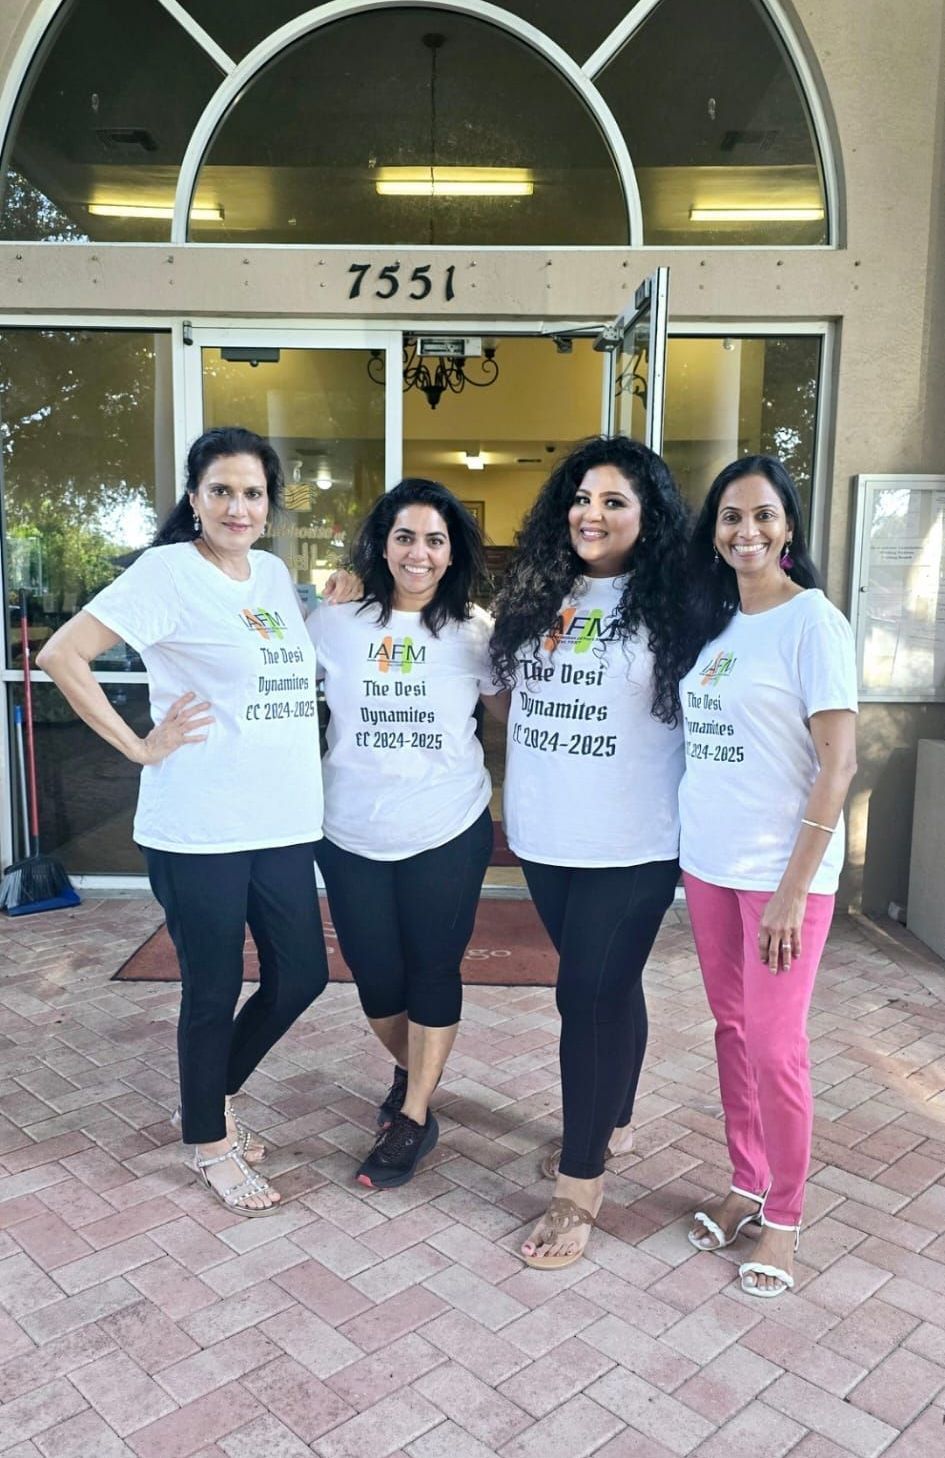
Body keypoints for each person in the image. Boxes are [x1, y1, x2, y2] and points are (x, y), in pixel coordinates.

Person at [37, 425, 330, 1216]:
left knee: (300, 973)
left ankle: (210, 1096)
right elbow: (63, 654)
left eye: (253, 492)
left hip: (280, 820)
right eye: (222, 490)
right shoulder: (166, 573)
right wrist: (139, 744)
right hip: (199, 825)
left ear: (269, 506)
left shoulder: (268, 574)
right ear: (195, 499)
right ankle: (205, 1140)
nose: (238, 506)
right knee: (213, 986)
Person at [490, 435, 690, 1268]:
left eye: (614, 501)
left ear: (648, 517)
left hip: (634, 840)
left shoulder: (683, 601)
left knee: (584, 995)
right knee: (610, 988)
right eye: (581, 497)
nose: (592, 514)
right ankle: (614, 1117)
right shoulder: (540, 595)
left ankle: (579, 1183)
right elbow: (505, 700)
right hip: (546, 835)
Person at [679, 454, 857, 1297]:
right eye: (729, 517)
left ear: (787, 526)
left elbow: (837, 765)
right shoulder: (717, 625)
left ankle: (784, 1216)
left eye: (761, 516)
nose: (744, 530)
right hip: (709, 867)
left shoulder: (812, 622)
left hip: (780, 879)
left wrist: (791, 890)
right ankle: (746, 1179)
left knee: (777, 1049)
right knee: (731, 1031)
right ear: (712, 531)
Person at [307, 478, 498, 1190]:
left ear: (452, 555)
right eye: (405, 537)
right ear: (382, 545)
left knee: (432, 970)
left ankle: (413, 1114)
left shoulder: (472, 631)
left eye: (435, 540)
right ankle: (411, 1067)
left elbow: (516, 709)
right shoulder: (333, 622)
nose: (419, 553)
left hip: (446, 826)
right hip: (350, 829)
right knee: (377, 980)